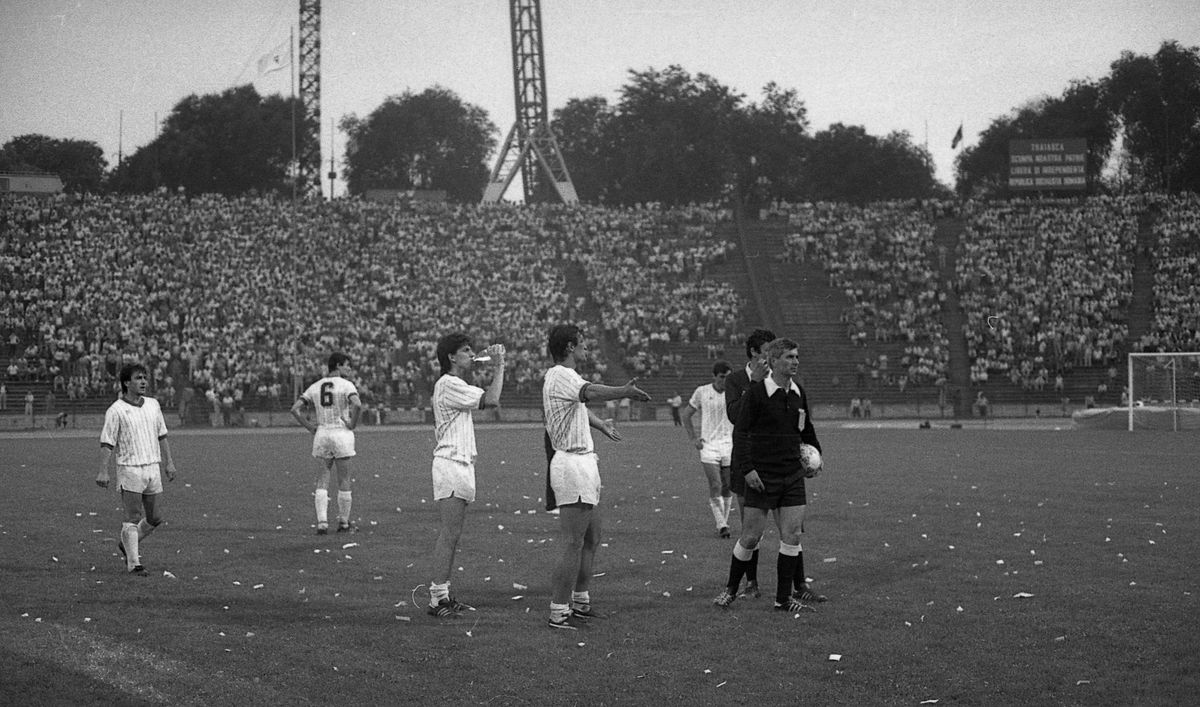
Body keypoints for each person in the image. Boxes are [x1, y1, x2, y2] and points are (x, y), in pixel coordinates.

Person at [543, 324, 650, 630]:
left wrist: (600, 424)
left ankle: (580, 601)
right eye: (583, 345)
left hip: (585, 461)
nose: (586, 350)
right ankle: (558, 610)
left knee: (592, 537)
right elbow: (588, 392)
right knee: (573, 541)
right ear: (569, 348)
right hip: (572, 464)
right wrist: (623, 392)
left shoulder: (565, 377)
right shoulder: (561, 374)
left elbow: (577, 406)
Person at [715, 337, 826, 612]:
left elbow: (806, 428)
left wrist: (816, 458)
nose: (795, 362)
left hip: (791, 474)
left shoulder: (798, 391)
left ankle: (783, 599)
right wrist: (748, 469)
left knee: (792, 536)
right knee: (751, 537)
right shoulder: (756, 393)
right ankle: (730, 589)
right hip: (762, 476)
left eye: (796, 357)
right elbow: (739, 433)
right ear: (773, 361)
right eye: (789, 357)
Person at [425, 334, 506, 618]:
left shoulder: (453, 384)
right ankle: (437, 598)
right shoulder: (449, 383)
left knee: (453, 534)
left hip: (459, 463)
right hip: (451, 463)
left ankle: (442, 595)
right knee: (449, 534)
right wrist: (499, 366)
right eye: (465, 350)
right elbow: (492, 400)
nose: (471, 354)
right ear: (451, 357)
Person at [95, 363, 178, 576]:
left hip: (152, 467)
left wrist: (169, 462)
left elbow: (162, 435)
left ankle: (127, 543)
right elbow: (107, 442)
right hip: (130, 468)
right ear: (126, 383)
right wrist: (103, 470)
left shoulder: (153, 405)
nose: (143, 381)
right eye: (138, 378)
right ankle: (134, 564)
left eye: (144, 377)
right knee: (132, 516)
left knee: (155, 517)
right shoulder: (116, 410)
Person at [722, 327, 775, 598]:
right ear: (754, 352)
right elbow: (734, 415)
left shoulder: (778, 378)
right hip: (745, 461)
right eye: (768, 351)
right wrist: (754, 383)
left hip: (774, 460)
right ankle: (750, 582)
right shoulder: (736, 379)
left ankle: (798, 585)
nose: (772, 356)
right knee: (749, 527)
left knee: (790, 526)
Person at [291, 352, 363, 535]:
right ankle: (344, 522)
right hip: (341, 433)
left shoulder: (315, 386)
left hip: (322, 433)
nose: (349, 368)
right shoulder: (346, 385)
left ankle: (322, 522)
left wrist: (309, 427)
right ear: (338, 365)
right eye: (347, 365)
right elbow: (358, 404)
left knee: (323, 479)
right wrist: (352, 424)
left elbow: (295, 409)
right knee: (344, 479)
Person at [680, 360, 735, 538]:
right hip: (709, 445)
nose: (725, 381)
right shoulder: (702, 391)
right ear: (714, 376)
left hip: (729, 444)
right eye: (722, 377)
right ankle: (721, 524)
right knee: (716, 484)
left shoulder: (735, 392)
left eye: (728, 377)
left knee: (728, 486)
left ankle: (723, 522)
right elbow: (686, 415)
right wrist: (693, 438)